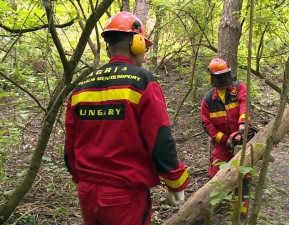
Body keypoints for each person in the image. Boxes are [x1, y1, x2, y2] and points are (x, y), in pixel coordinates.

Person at [64, 11, 189, 225]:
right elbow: (160, 138)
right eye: (145, 46)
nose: (145, 52)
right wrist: (175, 181)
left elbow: (70, 146)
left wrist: (80, 178)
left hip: (87, 194)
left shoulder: (80, 88)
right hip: (124, 197)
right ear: (137, 43)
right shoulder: (142, 81)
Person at [200, 58, 252, 218]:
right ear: (212, 78)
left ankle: (240, 211)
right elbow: (208, 125)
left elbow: (245, 104)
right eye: (219, 77)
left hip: (241, 138)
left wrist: (242, 126)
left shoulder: (239, 88)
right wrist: (225, 139)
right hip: (222, 143)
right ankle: (215, 208)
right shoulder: (208, 100)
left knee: (244, 174)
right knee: (216, 173)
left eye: (224, 76)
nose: (222, 80)